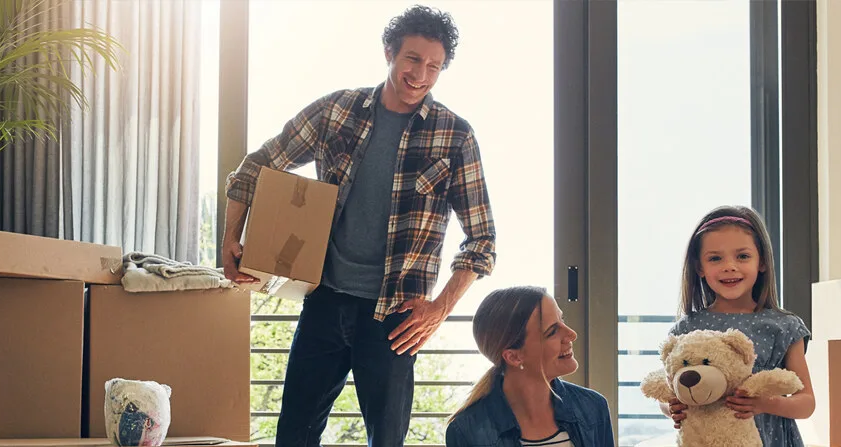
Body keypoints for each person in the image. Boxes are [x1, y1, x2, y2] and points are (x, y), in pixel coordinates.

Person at [221, 5, 496, 446]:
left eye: (434, 66)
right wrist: (230, 241)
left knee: (386, 440)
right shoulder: (336, 111)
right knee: (293, 435)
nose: (420, 75)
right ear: (389, 52)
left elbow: (482, 240)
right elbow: (255, 167)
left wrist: (439, 309)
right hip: (325, 301)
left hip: (396, 320)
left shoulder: (455, 136)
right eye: (412, 59)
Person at [663, 205, 814, 446]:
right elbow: (667, 392)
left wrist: (765, 404)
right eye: (715, 258)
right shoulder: (686, 328)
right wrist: (670, 407)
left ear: (762, 262)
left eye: (742, 256)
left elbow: (806, 402)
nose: (729, 266)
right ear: (699, 267)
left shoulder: (784, 326)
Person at [445, 286, 614, 446]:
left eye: (562, 319)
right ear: (514, 356)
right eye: (552, 331)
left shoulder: (593, 407)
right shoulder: (466, 431)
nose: (572, 334)